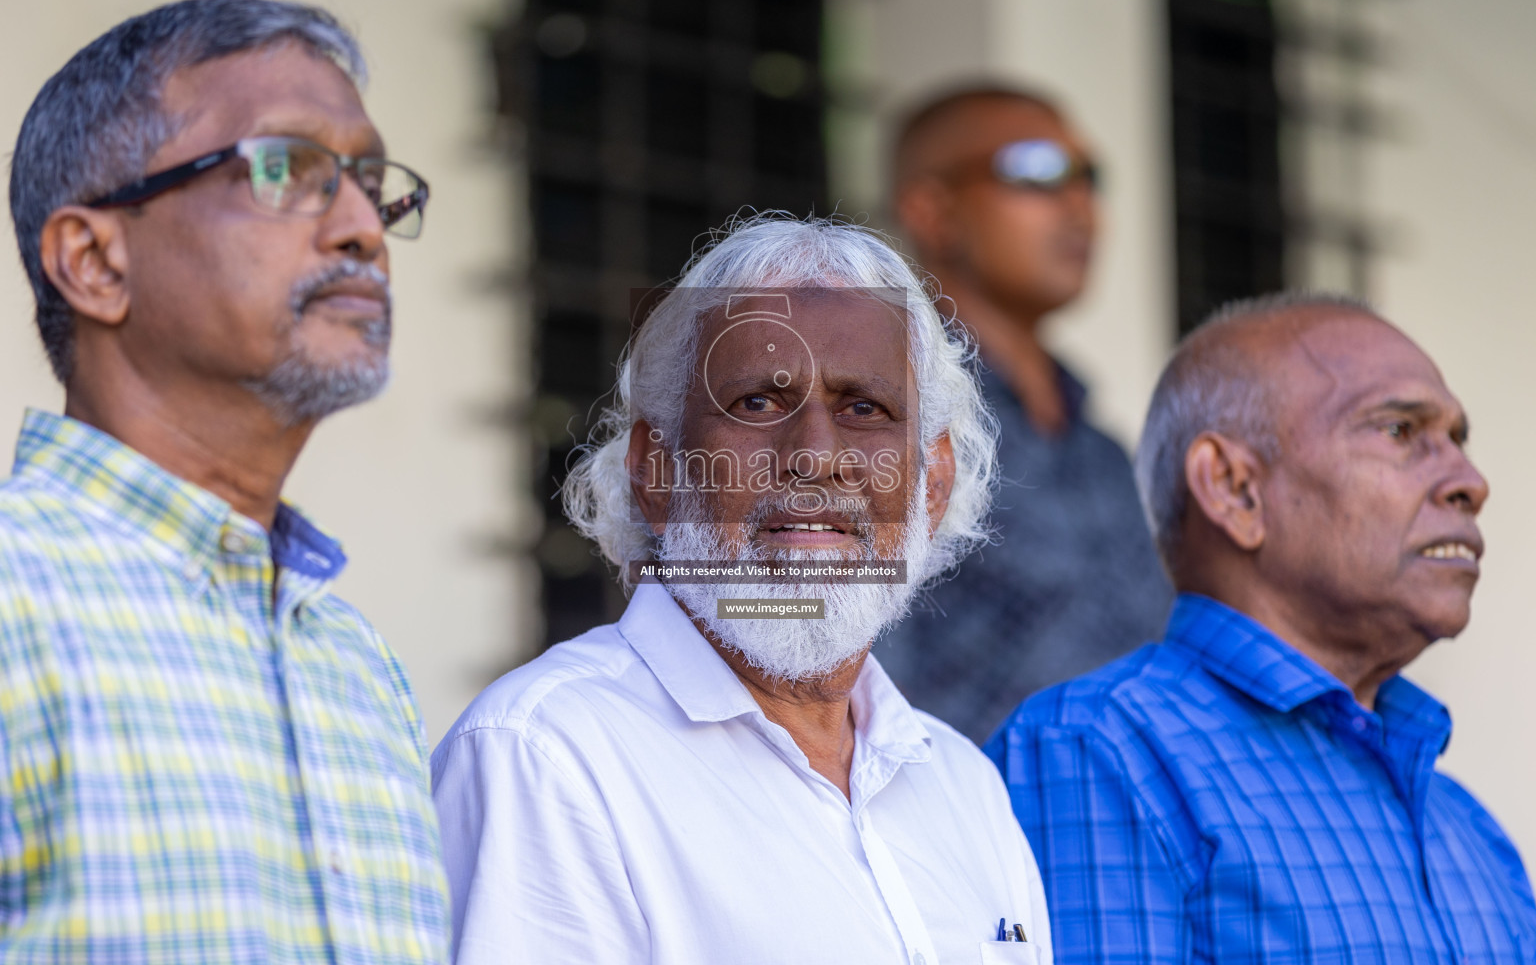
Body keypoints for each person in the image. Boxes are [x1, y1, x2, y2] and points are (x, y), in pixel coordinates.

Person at [432, 217, 1053, 964]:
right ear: (655, 473)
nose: (816, 458)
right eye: (757, 403)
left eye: (865, 408)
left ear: (933, 483)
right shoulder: (548, 756)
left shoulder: (964, 789)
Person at [1, 0, 446, 961]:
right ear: (92, 260)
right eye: (287, 169)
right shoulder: (15, 600)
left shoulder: (356, 667)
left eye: (371, 184)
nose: (364, 229)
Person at [987, 295, 1536, 963]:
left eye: (1457, 440)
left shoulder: (1474, 837)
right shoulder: (1095, 751)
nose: (1470, 482)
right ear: (1233, 488)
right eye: (1399, 431)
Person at [875, 84, 1171, 742]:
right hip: (969, 828)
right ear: (932, 211)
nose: (1080, 206)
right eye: (1035, 170)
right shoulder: (883, 420)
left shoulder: (1100, 447)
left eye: (1089, 177)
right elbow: (853, 690)